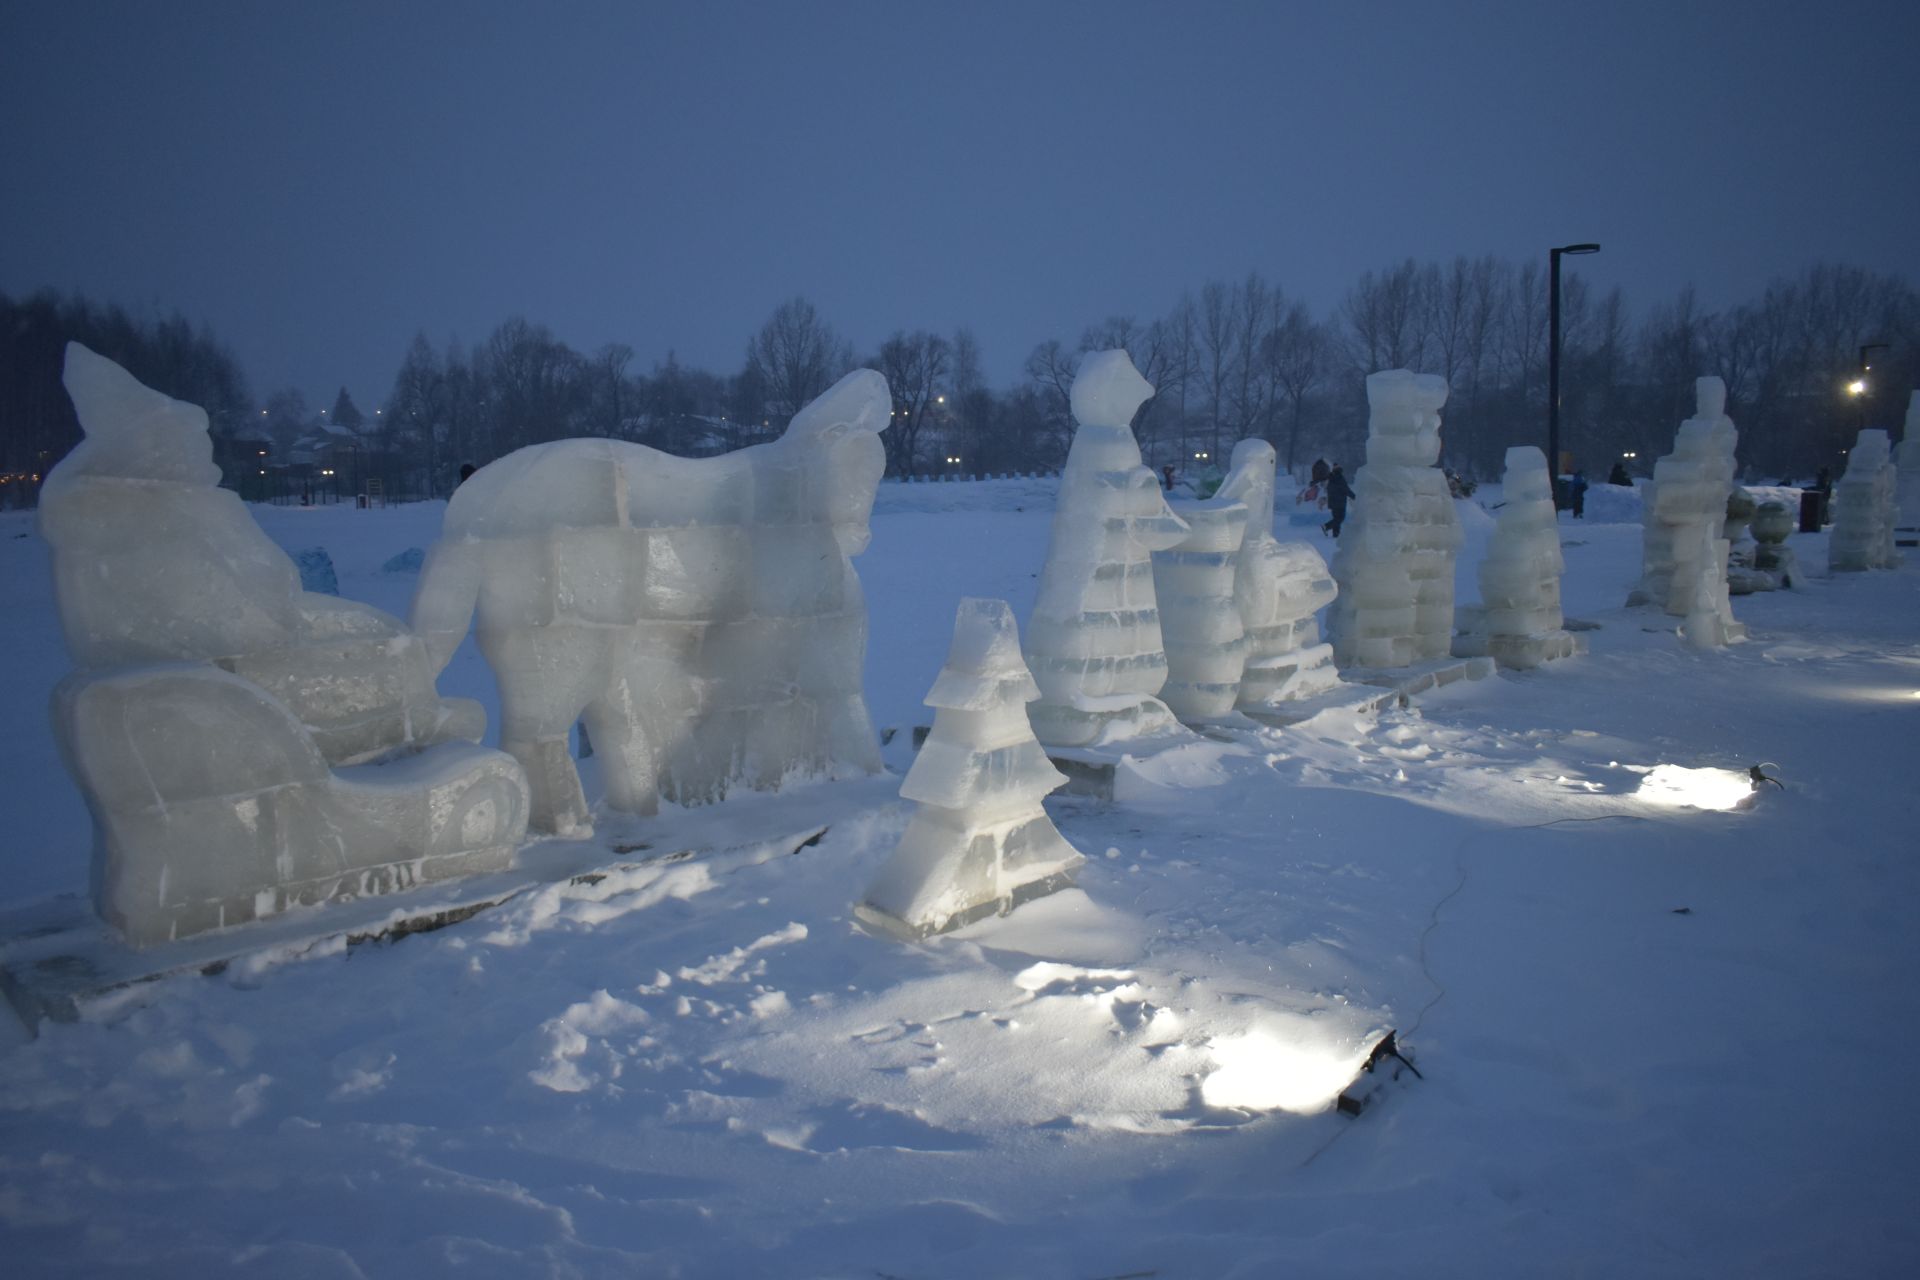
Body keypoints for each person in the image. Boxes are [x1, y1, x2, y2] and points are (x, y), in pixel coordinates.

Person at [1323, 464, 1354, 537]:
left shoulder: (1331, 478)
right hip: (1340, 502)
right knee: (1340, 518)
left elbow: (1329, 489)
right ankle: (1326, 526)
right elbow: (1346, 490)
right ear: (1340, 471)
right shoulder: (1340, 478)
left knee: (1336, 518)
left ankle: (1336, 534)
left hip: (1333, 502)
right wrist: (1354, 496)